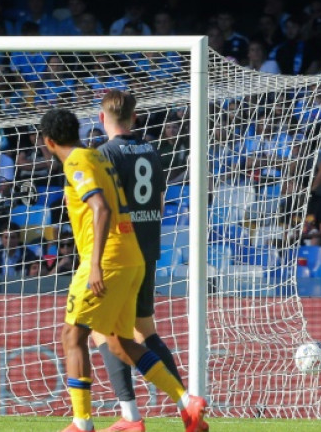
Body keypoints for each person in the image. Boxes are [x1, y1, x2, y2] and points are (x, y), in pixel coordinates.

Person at [38, 108, 206, 432]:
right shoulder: (96, 156)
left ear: (48, 142)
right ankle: (186, 402)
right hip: (132, 255)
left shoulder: (76, 162)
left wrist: (95, 265)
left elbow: (100, 208)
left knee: (73, 335)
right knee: (119, 341)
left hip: (107, 259)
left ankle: (82, 423)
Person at [90, 91, 208, 432]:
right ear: (135, 118)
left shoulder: (105, 154)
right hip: (148, 249)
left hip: (119, 254)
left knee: (102, 332)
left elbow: (103, 209)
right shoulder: (152, 151)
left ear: (102, 118)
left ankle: (130, 416)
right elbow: (158, 202)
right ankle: (187, 409)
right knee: (144, 331)